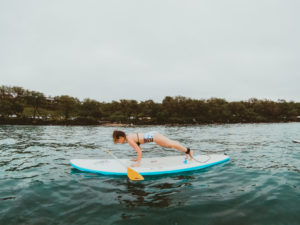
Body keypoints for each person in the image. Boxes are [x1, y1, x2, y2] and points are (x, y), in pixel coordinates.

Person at [112, 130, 194, 167]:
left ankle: (189, 151)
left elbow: (139, 151)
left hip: (154, 137)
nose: (118, 142)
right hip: (153, 136)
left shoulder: (129, 140)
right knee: (171, 144)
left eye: (118, 140)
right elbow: (139, 148)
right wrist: (137, 159)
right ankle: (187, 150)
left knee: (171, 144)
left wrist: (138, 163)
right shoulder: (129, 137)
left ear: (121, 137)